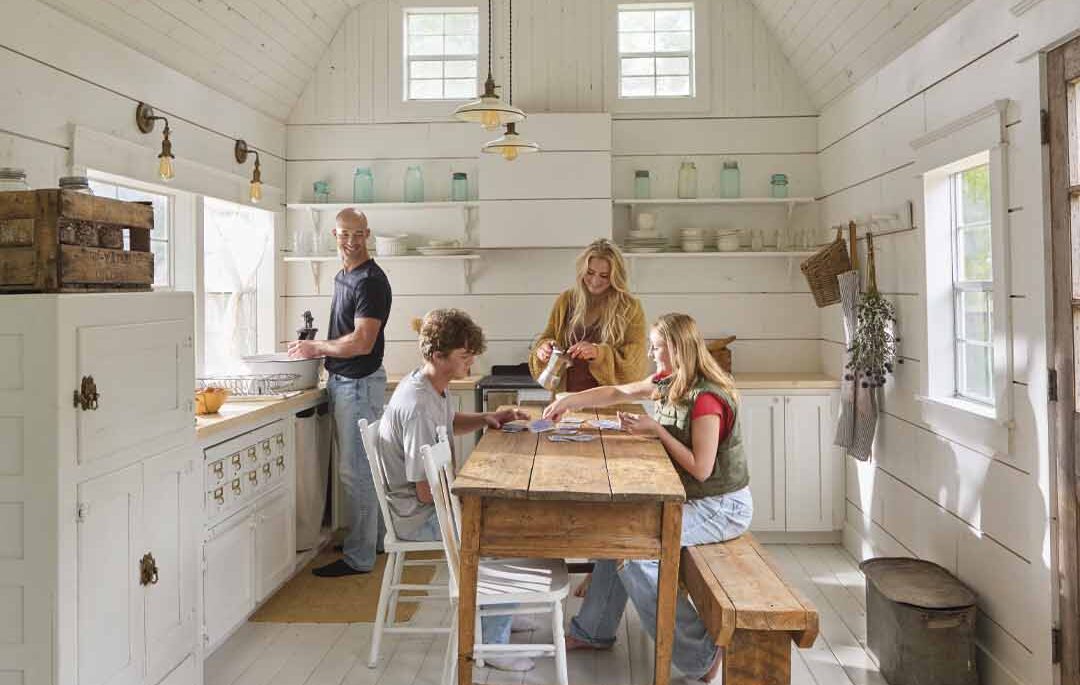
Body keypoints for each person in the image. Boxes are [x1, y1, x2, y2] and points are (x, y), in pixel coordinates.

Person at [542, 313, 753, 683]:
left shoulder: (705, 399)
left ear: (677, 349)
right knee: (618, 531)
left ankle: (701, 655)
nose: (652, 355)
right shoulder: (670, 381)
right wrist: (570, 400)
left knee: (634, 550)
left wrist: (655, 430)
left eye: (656, 348)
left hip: (721, 508)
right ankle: (593, 630)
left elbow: (701, 469)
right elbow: (618, 392)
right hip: (693, 501)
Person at [378, 309, 535, 672]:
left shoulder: (431, 386)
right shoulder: (417, 405)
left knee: (504, 514)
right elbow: (424, 491)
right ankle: (492, 641)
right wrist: (470, 496)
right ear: (438, 356)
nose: (471, 361)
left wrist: (487, 419)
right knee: (501, 529)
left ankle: (500, 610)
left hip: (432, 504)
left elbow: (447, 423)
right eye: (465, 355)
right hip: (418, 517)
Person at [289, 208, 392, 578]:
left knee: (356, 471)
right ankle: (375, 541)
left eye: (358, 233)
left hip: (358, 384)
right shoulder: (344, 276)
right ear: (334, 235)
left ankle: (360, 557)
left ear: (368, 234)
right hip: (346, 383)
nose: (351, 241)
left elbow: (362, 342)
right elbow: (347, 333)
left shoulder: (370, 281)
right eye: (344, 234)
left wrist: (316, 348)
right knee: (362, 468)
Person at [529, 239, 647, 392]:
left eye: (604, 276)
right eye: (590, 273)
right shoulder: (566, 301)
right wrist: (543, 349)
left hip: (610, 402)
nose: (595, 281)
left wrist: (599, 353)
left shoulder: (629, 308)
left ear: (615, 277)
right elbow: (547, 338)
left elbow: (635, 364)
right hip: (566, 399)